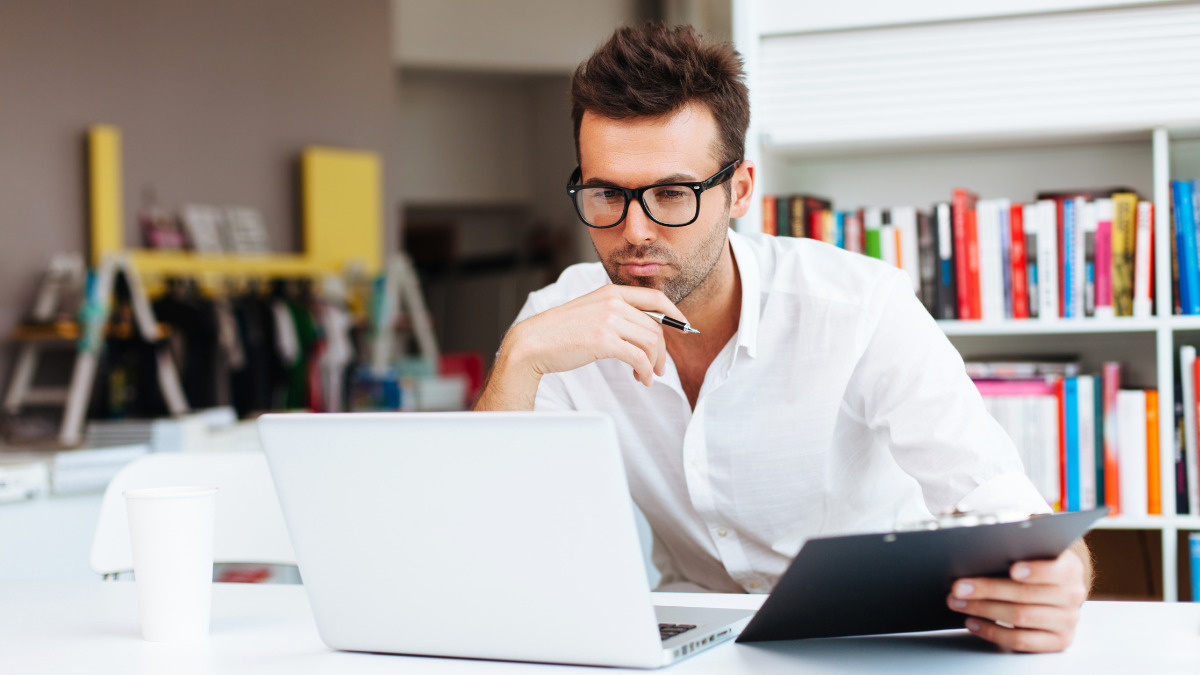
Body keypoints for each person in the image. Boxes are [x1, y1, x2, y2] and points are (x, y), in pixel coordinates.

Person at [474, 22, 1090, 653]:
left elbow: (1003, 504)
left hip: (874, 635)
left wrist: (1056, 578)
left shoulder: (860, 308)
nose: (634, 231)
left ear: (739, 190)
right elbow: (488, 542)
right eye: (607, 194)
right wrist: (518, 360)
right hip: (697, 645)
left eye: (671, 193)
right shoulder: (555, 324)